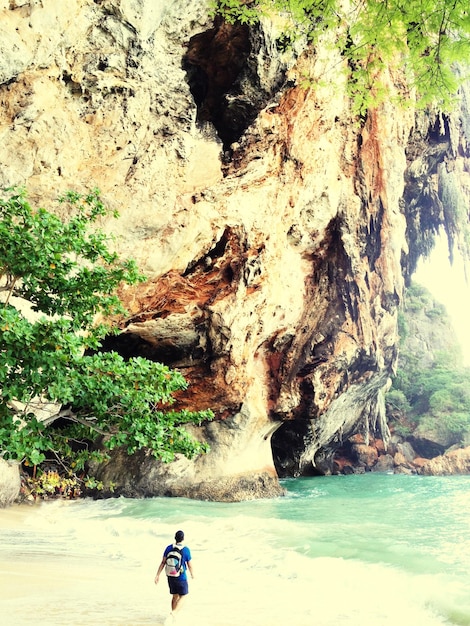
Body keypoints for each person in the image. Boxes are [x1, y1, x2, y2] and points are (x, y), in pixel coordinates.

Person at [155, 530, 194, 623]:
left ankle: (173, 620)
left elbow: (163, 562)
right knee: (184, 596)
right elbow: (190, 565)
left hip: (170, 576)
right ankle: (174, 613)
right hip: (181, 577)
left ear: (175, 538)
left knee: (174, 596)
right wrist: (193, 574)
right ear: (183, 538)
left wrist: (157, 575)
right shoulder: (186, 550)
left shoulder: (168, 548)